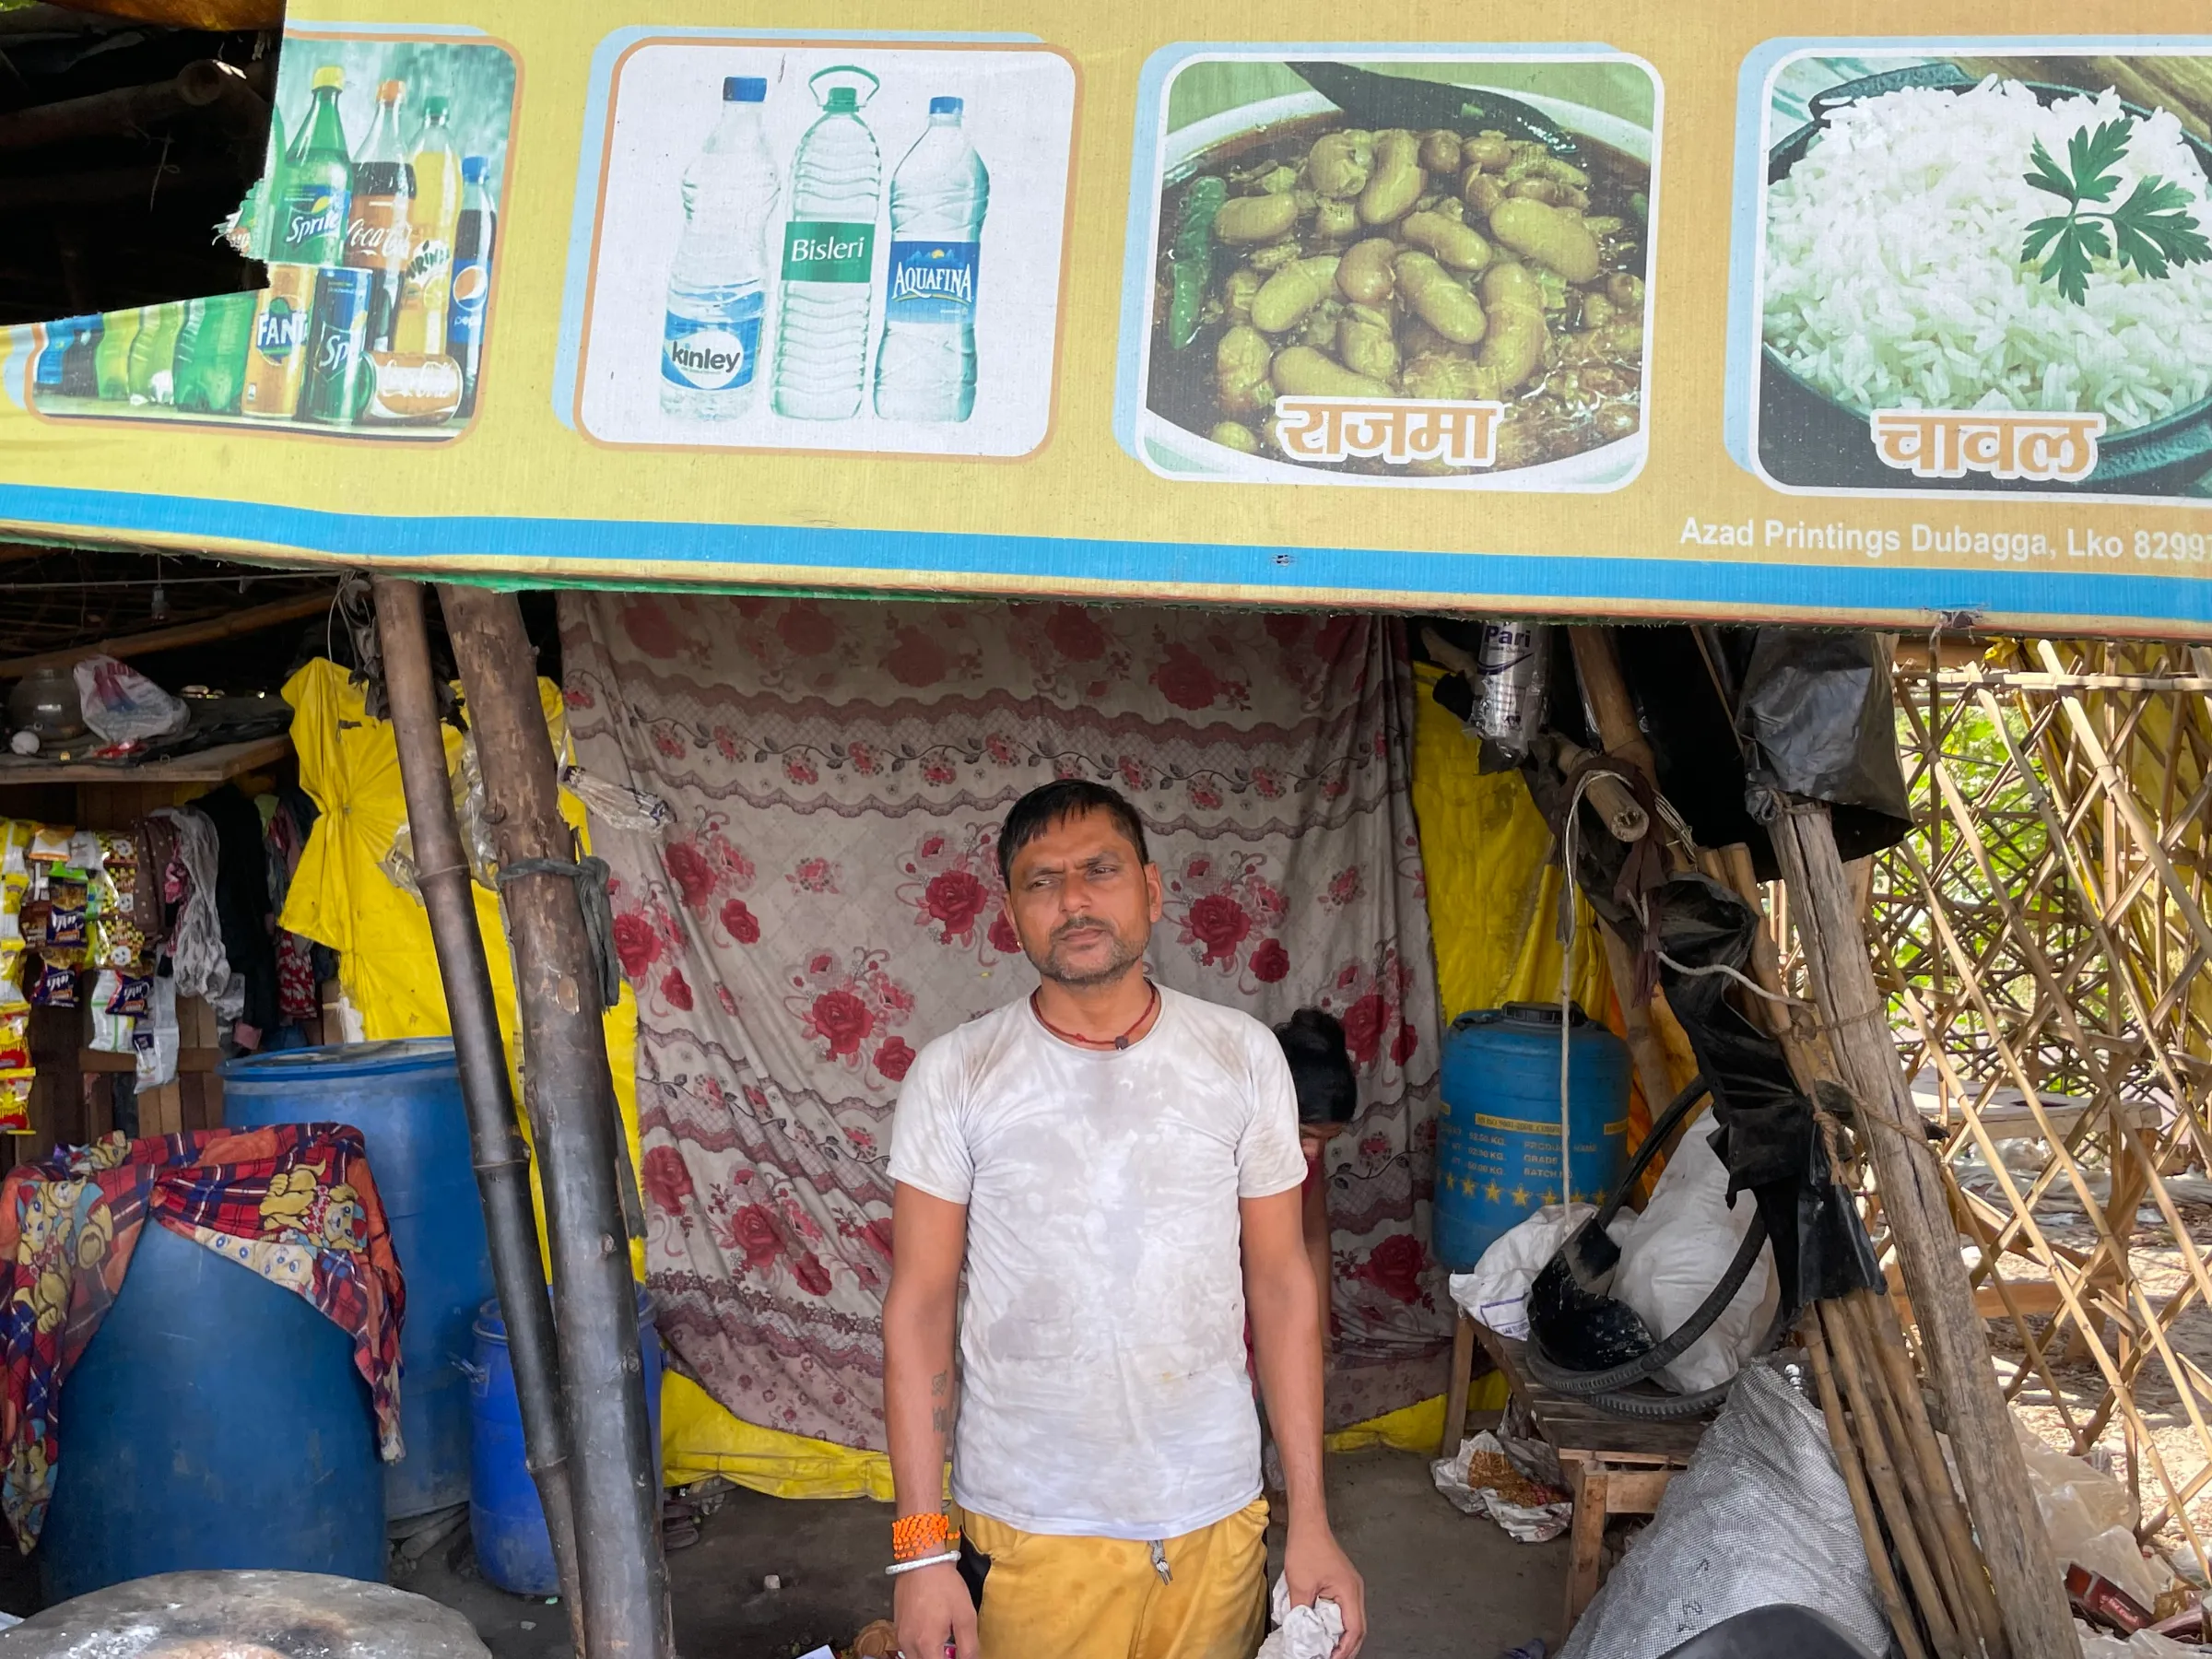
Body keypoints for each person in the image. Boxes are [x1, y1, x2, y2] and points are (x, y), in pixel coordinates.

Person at [883, 780, 1367, 1659]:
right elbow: (917, 1307)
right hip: (1029, 1529)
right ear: (1010, 914)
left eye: (1099, 871)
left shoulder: (1241, 1058)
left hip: (1214, 1520)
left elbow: (1283, 1286)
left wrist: (1312, 1522)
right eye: (1042, 881)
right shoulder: (956, 1075)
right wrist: (922, 1556)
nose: (1073, 899)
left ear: (1150, 890)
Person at [1273, 1008, 1358, 1345]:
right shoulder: (1226, 1152)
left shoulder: (1309, 1160)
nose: (1313, 1153)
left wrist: (1321, 1337)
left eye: (1329, 1140)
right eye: (1304, 1133)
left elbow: (1314, 1238)